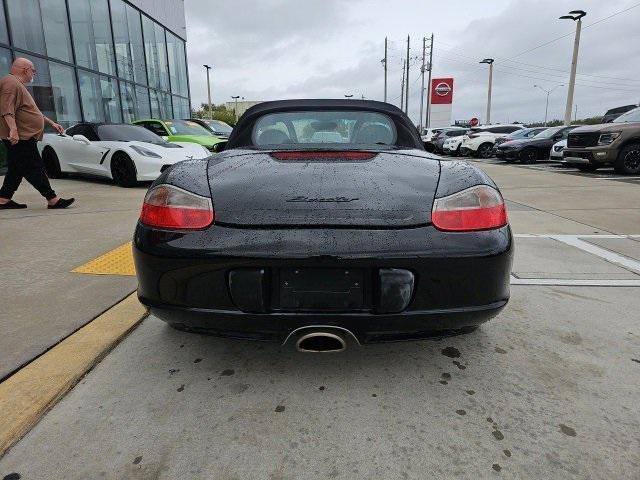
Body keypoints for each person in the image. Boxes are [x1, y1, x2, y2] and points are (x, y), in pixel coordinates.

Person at [0, 57, 74, 209]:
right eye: (33, 70)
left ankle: (3, 199)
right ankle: (52, 199)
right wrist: (13, 130)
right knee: (34, 167)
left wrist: (51, 123)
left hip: (22, 136)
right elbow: (6, 108)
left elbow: (31, 111)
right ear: (25, 69)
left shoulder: (17, 84)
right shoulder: (11, 83)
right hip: (20, 137)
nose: (34, 73)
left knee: (16, 168)